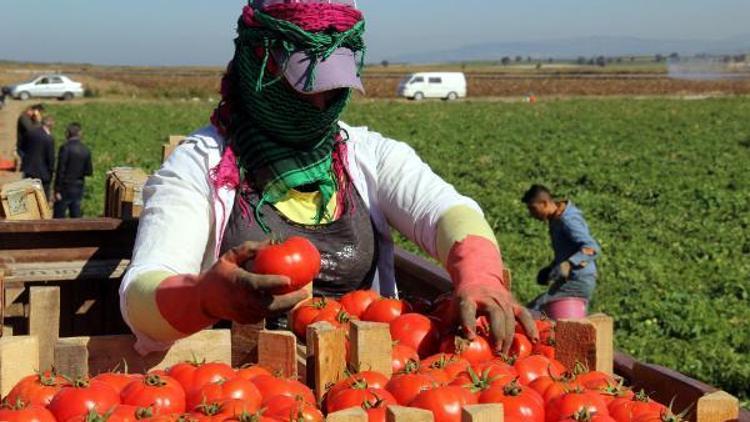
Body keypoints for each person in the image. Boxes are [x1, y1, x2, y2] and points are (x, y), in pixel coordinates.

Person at [119, 0, 538, 356]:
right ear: (257, 64)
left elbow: (448, 211)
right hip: (249, 395)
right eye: (301, 87)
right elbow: (142, 292)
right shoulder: (201, 167)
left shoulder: (368, 155)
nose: (319, 104)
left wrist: (480, 274)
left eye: (333, 87)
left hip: (370, 387)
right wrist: (203, 298)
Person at [522, 184, 601, 319]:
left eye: (533, 208)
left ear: (544, 203)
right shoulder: (556, 219)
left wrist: (569, 263)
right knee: (541, 311)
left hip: (578, 280)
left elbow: (592, 247)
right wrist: (551, 268)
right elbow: (568, 250)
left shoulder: (567, 220)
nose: (531, 214)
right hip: (569, 280)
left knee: (535, 312)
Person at [53, 123, 93, 218]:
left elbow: (60, 170)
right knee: (76, 214)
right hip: (78, 186)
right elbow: (88, 171)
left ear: (68, 133)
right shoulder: (85, 150)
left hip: (65, 187)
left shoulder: (65, 148)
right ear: (79, 134)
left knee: (59, 215)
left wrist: (57, 189)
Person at [20, 116, 55, 199]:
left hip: (29, 170)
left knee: (28, 196)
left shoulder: (30, 133)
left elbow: (22, 147)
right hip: (43, 174)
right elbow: (50, 158)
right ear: (50, 126)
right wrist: (51, 171)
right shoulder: (48, 139)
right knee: (42, 197)